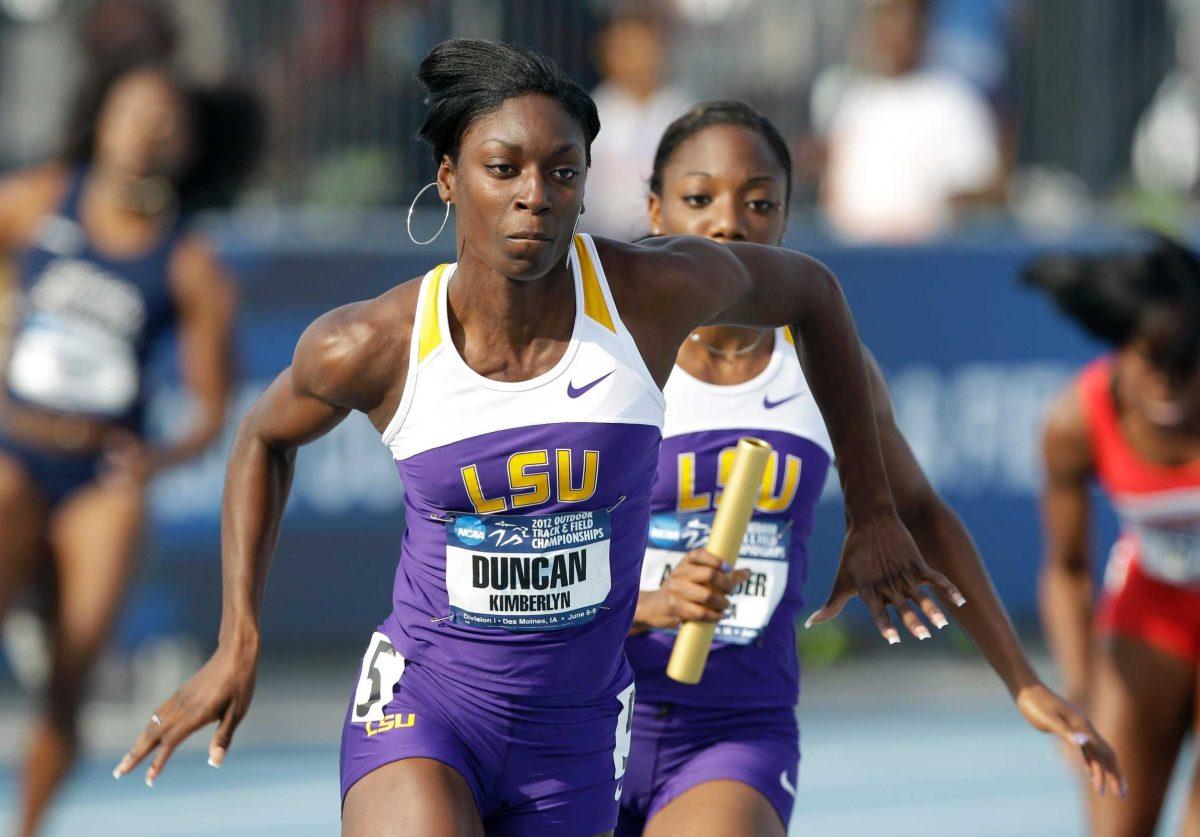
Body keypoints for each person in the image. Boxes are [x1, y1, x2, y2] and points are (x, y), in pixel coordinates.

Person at [106, 38, 1081, 837]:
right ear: (449, 180)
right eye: (505, 169)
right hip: (425, 703)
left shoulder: (651, 294)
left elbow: (816, 294)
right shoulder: (374, 341)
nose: (536, 193)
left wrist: (869, 515)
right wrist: (241, 638)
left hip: (571, 740)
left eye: (561, 171)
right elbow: (262, 442)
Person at [615, 99, 1124, 837]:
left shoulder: (828, 369)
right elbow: (534, 553)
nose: (730, 223)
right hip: (587, 714)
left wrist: (1022, 681)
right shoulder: (607, 366)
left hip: (732, 731)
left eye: (759, 203)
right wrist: (652, 602)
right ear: (656, 210)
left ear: (787, 221)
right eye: (700, 199)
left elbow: (916, 511)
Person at [0, 61, 258, 837]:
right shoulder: (39, 198)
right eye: (132, 107)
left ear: (186, 146)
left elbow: (214, 413)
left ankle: (28, 825)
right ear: (99, 116)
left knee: (70, 673)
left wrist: (155, 461)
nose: (147, 125)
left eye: (165, 117)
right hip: (13, 444)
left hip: (102, 474)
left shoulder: (189, 263)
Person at [1031, 237, 1200, 836]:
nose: (1165, 382)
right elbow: (1068, 569)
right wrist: (1077, 692)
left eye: (1184, 360)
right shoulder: (1075, 420)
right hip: (1149, 619)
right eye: (1147, 357)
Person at [814, 0, 1002, 242]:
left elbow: (986, 187)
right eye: (886, 21)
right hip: (855, 256)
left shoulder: (954, 101)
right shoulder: (854, 100)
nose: (894, 33)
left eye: (904, 22)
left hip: (927, 258)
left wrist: (934, 209)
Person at [583, 9, 691, 241]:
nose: (636, 60)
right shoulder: (591, 114)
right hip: (604, 245)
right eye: (625, 50)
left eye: (644, 49)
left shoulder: (682, 112)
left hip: (668, 244)